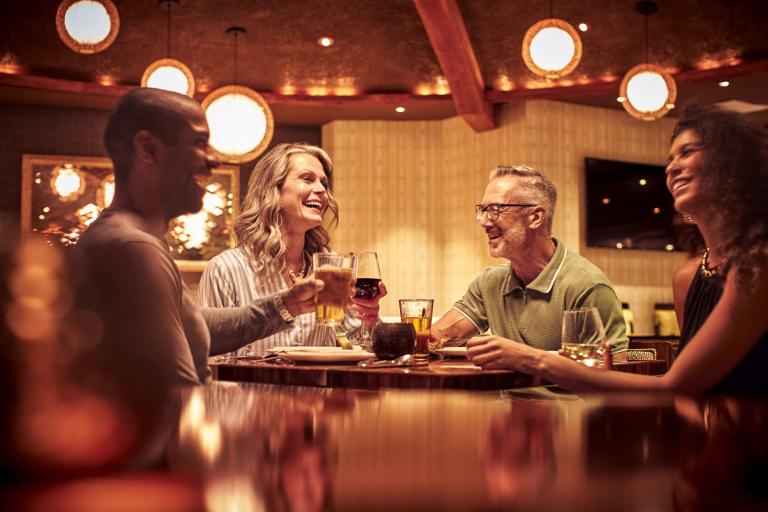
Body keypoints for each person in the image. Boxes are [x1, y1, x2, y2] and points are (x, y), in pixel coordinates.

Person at [468, 104, 768, 394]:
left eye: (687, 152)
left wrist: (530, 359)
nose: (672, 167)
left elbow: (673, 385)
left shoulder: (759, 265)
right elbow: (692, 388)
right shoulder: (689, 277)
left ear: (732, 164)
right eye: (670, 158)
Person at [72, 88, 322, 391]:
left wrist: (285, 305)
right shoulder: (133, 248)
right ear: (148, 149)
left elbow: (191, 327)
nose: (213, 160)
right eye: (199, 143)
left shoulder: (132, 238)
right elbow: (179, 392)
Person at [198, 143, 385, 357]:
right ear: (272, 191)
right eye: (307, 178)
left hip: (319, 381)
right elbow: (210, 357)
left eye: (324, 183)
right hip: (251, 381)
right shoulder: (225, 269)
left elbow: (352, 345)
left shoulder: (331, 268)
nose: (322, 190)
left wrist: (369, 322)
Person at [431, 165, 628, 354]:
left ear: (535, 217)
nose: (483, 222)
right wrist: (417, 336)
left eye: (495, 209)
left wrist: (527, 359)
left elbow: (614, 371)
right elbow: (439, 336)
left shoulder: (587, 286)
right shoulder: (490, 283)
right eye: (483, 210)